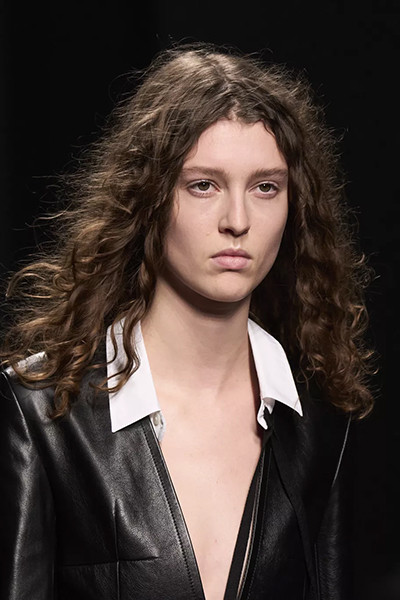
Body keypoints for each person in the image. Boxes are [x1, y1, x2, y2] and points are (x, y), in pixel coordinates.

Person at [0, 44, 374, 600]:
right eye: (204, 185)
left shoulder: (321, 419)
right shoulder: (42, 412)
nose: (238, 221)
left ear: (294, 207)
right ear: (149, 197)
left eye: (265, 187)